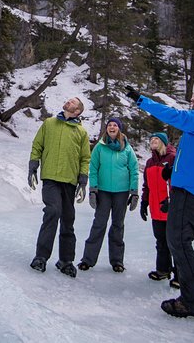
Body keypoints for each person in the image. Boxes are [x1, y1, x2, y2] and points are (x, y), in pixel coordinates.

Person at [126, 86, 194, 319]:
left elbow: (175, 116)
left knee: (177, 241)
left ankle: (192, 302)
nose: (192, 98)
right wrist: (172, 169)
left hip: (188, 192)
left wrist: (142, 101)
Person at [28, 97, 91, 278]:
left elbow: (85, 158)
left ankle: (65, 260)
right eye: (68, 100)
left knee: (68, 219)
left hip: (69, 181)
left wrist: (83, 180)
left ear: (77, 111)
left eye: (72, 102)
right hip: (50, 178)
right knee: (53, 211)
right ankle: (41, 256)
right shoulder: (49, 123)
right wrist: (33, 165)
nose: (68, 102)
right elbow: (37, 145)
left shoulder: (81, 132)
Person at [77, 118, 139, 273]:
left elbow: (134, 170)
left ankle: (117, 261)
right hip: (103, 192)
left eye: (115, 125)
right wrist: (93, 189)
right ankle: (87, 260)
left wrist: (134, 192)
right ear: (106, 129)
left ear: (120, 129)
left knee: (118, 225)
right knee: (99, 224)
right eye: (110, 125)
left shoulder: (127, 148)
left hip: (121, 193)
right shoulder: (100, 147)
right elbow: (94, 168)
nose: (112, 127)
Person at [140, 132, 179, 289]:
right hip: (157, 209)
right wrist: (144, 203)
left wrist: (172, 200)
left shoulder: (173, 158)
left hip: (171, 208)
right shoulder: (149, 163)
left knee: (175, 242)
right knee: (161, 241)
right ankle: (163, 269)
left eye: (156, 139)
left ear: (164, 142)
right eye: (151, 140)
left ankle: (180, 275)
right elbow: (147, 186)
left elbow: (178, 182)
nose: (153, 141)